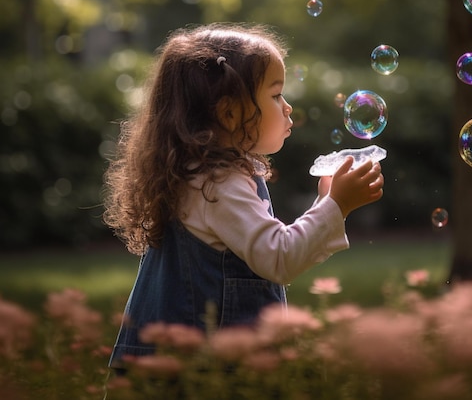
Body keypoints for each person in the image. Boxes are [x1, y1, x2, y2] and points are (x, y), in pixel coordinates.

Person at [103, 23, 384, 368]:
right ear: (229, 112)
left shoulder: (199, 175)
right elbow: (280, 257)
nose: (288, 107)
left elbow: (271, 245)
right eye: (276, 94)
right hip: (199, 377)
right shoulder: (218, 185)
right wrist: (337, 206)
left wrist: (325, 202)